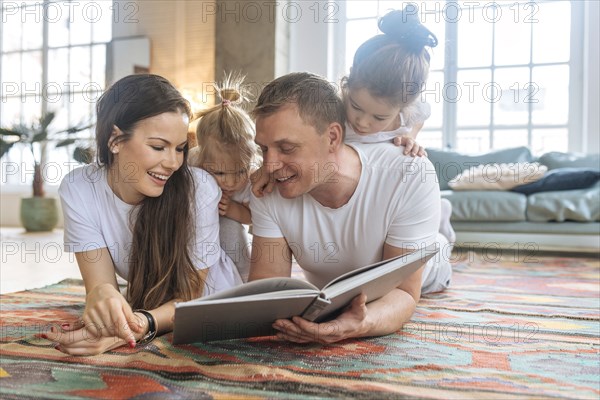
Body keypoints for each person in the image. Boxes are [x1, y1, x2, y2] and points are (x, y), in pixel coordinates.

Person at [248, 72, 452, 344]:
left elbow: (403, 292)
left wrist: (359, 324)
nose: (270, 165)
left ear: (333, 137)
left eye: (286, 148)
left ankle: (440, 232)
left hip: (429, 271)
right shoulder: (268, 187)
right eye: (263, 149)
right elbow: (265, 289)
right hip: (340, 289)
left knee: (435, 253)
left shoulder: (409, 171)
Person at [48, 74, 242, 356]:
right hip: (146, 303)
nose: (173, 163)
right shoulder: (79, 188)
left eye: (179, 148)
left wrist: (138, 324)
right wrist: (104, 305)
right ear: (115, 139)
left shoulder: (198, 189)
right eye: (158, 147)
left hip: (212, 303)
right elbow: (101, 285)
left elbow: (190, 295)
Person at [341, 5, 456, 243]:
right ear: (348, 84)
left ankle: (439, 221)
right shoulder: (336, 106)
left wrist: (411, 136)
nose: (362, 122)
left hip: (388, 184)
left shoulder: (410, 114)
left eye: (379, 118)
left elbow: (421, 116)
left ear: (404, 107)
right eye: (356, 107)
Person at [188, 74, 259, 282]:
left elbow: (253, 217)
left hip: (229, 227)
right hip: (194, 226)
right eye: (218, 173)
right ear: (202, 158)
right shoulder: (193, 161)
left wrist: (232, 210)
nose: (230, 182)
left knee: (230, 230)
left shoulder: (253, 178)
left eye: (239, 171)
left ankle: (245, 280)